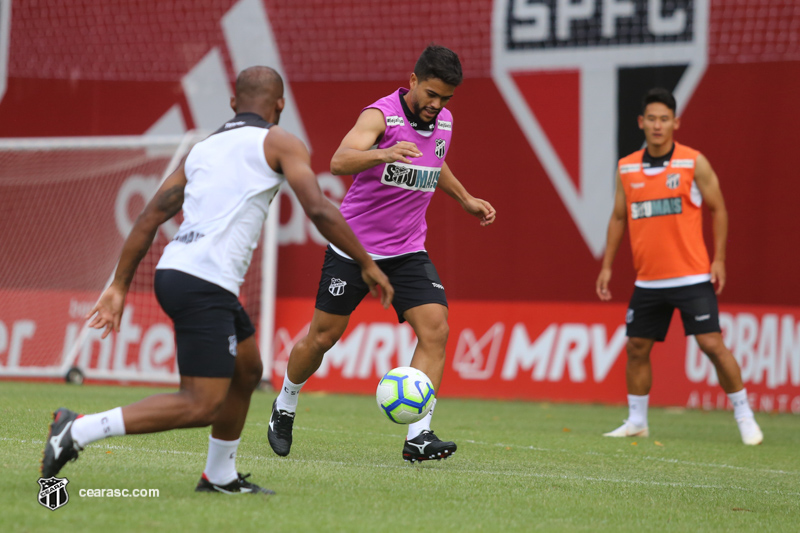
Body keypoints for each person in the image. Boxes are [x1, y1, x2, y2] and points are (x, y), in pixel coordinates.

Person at [40, 66, 394, 493]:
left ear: (232, 103)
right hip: (201, 281)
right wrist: (367, 263)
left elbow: (151, 215)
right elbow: (318, 209)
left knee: (247, 370)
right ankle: (75, 431)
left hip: (180, 273)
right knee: (200, 403)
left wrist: (118, 286)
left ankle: (220, 475)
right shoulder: (280, 141)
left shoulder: (203, 150)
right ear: (279, 106)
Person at [267, 45, 496, 463]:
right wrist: (383, 152)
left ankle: (419, 436)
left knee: (436, 329)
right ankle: (285, 403)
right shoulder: (380, 116)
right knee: (323, 338)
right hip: (353, 247)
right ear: (412, 80)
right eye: (430, 93)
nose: (436, 104)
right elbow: (339, 161)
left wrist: (465, 198)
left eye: (445, 98)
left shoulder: (443, 122)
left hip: (407, 249)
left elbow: (434, 161)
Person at [596, 87, 762, 445]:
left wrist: (718, 259)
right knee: (636, 348)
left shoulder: (692, 162)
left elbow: (718, 208)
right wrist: (607, 265)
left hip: (691, 276)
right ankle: (637, 421)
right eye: (651, 119)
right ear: (641, 123)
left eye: (664, 119)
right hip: (649, 281)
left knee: (711, 344)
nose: (658, 125)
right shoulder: (626, 167)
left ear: (676, 123)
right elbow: (618, 217)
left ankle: (745, 415)